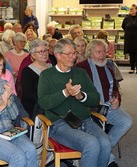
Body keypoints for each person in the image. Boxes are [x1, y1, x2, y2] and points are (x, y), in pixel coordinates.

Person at [38, 38, 111, 167]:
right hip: (59, 123)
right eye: (69, 54)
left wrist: (81, 96)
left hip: (84, 120)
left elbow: (95, 99)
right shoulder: (46, 75)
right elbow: (44, 103)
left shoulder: (80, 73)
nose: (73, 57)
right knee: (91, 143)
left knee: (105, 142)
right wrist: (65, 93)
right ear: (58, 55)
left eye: (74, 53)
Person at [76, 39, 132, 167]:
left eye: (104, 52)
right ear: (90, 53)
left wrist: (117, 100)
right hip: (90, 108)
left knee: (126, 121)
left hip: (108, 106)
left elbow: (116, 90)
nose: (102, 55)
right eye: (98, 52)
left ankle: (102, 151)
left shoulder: (108, 68)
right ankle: (106, 156)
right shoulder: (81, 68)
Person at [21, 39, 51, 119]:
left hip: (54, 105)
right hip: (35, 109)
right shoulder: (27, 71)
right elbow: (29, 95)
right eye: (41, 52)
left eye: (46, 51)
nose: (44, 54)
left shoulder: (53, 68)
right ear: (33, 55)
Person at [122, 4, 137, 74]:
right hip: (129, 39)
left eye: (132, 9)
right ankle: (132, 68)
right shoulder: (127, 18)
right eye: (130, 9)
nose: (130, 10)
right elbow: (123, 26)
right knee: (131, 54)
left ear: (136, 10)